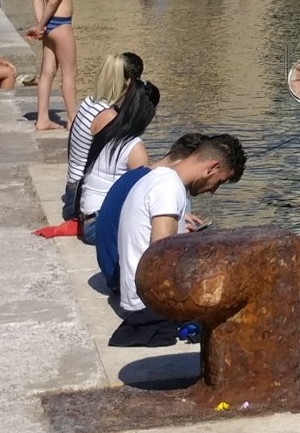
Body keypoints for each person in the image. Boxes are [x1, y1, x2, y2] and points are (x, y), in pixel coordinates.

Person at [91, 132, 246, 346]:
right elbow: (161, 256)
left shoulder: (159, 176)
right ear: (212, 167)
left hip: (139, 294)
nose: (213, 191)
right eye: (219, 182)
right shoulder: (168, 189)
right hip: (148, 303)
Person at [39, 51, 144, 237]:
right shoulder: (107, 116)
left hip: (73, 187)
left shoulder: (91, 102)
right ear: (128, 83)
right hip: (78, 199)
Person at [26, 0, 85, 131]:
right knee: (70, 73)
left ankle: (42, 119)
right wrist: (40, 25)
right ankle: (72, 120)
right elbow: (53, 2)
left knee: (47, 73)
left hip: (48, 26)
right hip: (60, 23)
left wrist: (40, 25)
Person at [75, 78, 159, 221]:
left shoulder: (109, 131)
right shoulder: (134, 147)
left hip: (88, 214)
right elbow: (143, 193)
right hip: (99, 221)